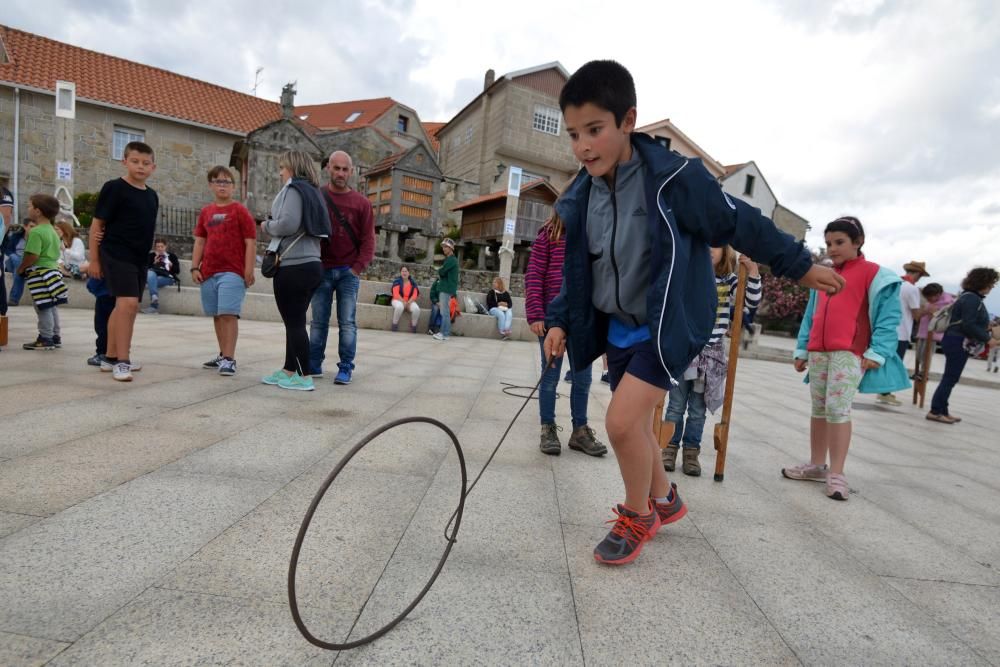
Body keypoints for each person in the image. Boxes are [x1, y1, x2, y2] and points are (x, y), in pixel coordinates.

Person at [543, 60, 843, 566]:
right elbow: (582, 266)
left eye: (594, 130)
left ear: (627, 120)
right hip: (616, 327)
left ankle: (638, 516)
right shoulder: (582, 193)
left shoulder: (674, 180)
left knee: (618, 423)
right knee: (635, 423)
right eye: (574, 134)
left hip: (668, 323)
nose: (583, 146)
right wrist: (558, 318)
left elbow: (738, 220)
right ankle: (667, 499)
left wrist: (798, 264)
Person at [784, 216, 909, 501]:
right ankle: (817, 465)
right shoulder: (823, 274)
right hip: (819, 351)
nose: (832, 249)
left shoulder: (874, 274)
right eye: (828, 243)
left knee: (838, 410)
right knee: (818, 408)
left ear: (858, 241)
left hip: (849, 353)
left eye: (839, 242)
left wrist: (878, 351)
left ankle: (837, 472)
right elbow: (811, 314)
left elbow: (889, 318)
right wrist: (803, 348)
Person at [663, 247, 762, 477]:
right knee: (675, 406)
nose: (708, 248)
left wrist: (753, 273)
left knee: (698, 409)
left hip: (710, 354)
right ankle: (668, 449)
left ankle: (691, 452)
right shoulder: (688, 274)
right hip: (684, 350)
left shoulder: (730, 280)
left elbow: (751, 301)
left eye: (715, 243)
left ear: (725, 250)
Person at [525, 211, 606, 457]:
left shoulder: (592, 235)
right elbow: (535, 275)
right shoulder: (548, 236)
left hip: (582, 320)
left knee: (583, 379)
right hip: (552, 319)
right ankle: (547, 427)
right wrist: (536, 313)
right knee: (550, 377)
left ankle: (579, 430)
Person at [87, 141, 159, 381]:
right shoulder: (114, 188)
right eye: (135, 161)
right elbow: (97, 225)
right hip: (116, 253)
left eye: (145, 163)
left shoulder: (152, 196)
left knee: (126, 307)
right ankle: (123, 361)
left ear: (153, 167)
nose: (140, 166)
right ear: (124, 161)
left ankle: (109, 356)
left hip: (139, 258)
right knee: (127, 304)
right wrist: (94, 260)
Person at [260, 150, 329, 392]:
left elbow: (288, 224)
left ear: (292, 167)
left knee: (294, 322)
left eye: (282, 167)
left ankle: (304, 375)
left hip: (293, 265)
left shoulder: (293, 190)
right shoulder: (314, 192)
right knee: (295, 320)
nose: (280, 172)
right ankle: (290, 369)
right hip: (312, 264)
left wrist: (266, 225)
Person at [308, 151, 375, 385]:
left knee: (347, 322)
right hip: (321, 269)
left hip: (348, 271)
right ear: (328, 169)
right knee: (318, 321)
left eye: (345, 169)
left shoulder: (362, 204)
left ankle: (345, 367)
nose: (340, 173)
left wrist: (357, 269)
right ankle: (313, 363)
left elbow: (369, 240)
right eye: (336, 168)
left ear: (352, 171)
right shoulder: (317, 196)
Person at [191, 166, 257, 376]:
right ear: (211, 185)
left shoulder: (240, 211)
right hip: (209, 271)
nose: (222, 185)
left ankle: (229, 359)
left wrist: (248, 270)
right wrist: (194, 266)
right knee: (217, 315)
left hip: (233, 271)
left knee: (228, 314)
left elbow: (251, 242)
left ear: (233, 187)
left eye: (227, 182)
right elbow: (200, 241)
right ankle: (222, 354)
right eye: (218, 181)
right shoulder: (206, 212)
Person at [927, 267, 998, 423]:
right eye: (992, 283)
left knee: (950, 377)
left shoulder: (969, 297)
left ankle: (942, 409)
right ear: (983, 282)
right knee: (950, 378)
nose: (992, 287)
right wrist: (988, 339)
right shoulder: (972, 299)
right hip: (958, 341)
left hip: (954, 339)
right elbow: (968, 324)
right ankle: (935, 410)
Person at [18, 195, 69, 350]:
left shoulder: (36, 231)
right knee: (51, 305)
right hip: (53, 271)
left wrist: (21, 268)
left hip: (40, 273)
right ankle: (55, 335)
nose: (28, 208)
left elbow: (32, 255)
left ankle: (45, 337)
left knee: (42, 306)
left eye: (29, 206)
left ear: (38, 211)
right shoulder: (53, 231)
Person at [877, 260, 925, 406]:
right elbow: (917, 314)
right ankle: (885, 392)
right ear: (918, 274)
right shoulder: (911, 289)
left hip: (887, 329)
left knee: (886, 362)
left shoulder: (894, 284)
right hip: (902, 332)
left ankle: (883, 390)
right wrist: (928, 309)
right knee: (895, 362)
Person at [913, 283, 954, 381]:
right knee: (919, 354)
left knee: (926, 355)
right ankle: (918, 372)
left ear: (938, 295)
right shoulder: (930, 303)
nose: (928, 299)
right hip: (923, 332)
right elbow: (919, 316)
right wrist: (927, 311)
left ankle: (924, 374)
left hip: (933, 334)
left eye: (930, 297)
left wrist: (931, 312)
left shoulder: (945, 304)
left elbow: (938, 320)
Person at [141, 239, 180, 314]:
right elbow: (145, 269)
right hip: (152, 276)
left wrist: (171, 265)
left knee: (152, 281)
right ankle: (154, 299)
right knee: (151, 274)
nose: (160, 248)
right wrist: (154, 263)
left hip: (168, 278)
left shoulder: (172, 256)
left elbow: (177, 271)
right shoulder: (151, 256)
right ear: (155, 247)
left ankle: (154, 304)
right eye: (158, 247)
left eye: (162, 246)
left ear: (165, 246)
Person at [432, 238, 459, 341]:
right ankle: (444, 333)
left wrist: (441, 270)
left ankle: (444, 333)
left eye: (446, 247)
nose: (443, 248)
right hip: (446, 287)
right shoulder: (450, 259)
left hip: (446, 288)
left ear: (451, 248)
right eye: (443, 246)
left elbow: (441, 272)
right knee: (444, 312)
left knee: (445, 312)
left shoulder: (451, 260)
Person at [390, 265, 420, 333]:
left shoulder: (413, 282)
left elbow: (415, 294)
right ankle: (394, 324)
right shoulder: (397, 281)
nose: (404, 273)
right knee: (399, 306)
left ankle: (413, 326)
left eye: (406, 271)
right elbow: (395, 294)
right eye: (402, 271)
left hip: (409, 301)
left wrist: (409, 303)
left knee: (416, 309)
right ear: (400, 272)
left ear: (409, 272)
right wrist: (404, 302)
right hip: (397, 300)